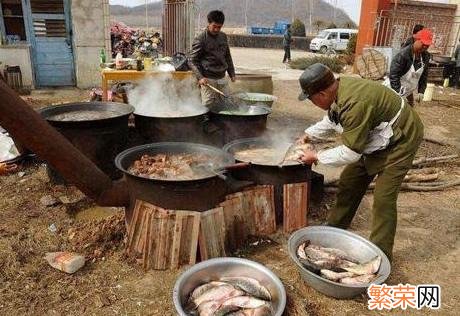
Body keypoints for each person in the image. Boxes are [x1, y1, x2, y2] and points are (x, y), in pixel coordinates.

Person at [296, 63, 424, 260]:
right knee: (350, 180)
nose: (312, 103)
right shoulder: (337, 89)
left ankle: (381, 254)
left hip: (401, 138)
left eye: (311, 99)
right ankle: (336, 227)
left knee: (383, 198)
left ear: (321, 94)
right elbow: (332, 120)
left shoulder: (355, 103)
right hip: (377, 135)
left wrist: (316, 157)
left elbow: (350, 152)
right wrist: (308, 134)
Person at [188, 10, 236, 107]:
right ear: (209, 23)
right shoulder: (201, 38)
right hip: (208, 78)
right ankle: (205, 122)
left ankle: (223, 122)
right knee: (207, 104)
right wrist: (200, 77)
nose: (216, 29)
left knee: (226, 102)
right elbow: (192, 60)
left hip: (222, 76)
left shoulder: (223, 37)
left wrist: (232, 73)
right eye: (214, 26)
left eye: (219, 27)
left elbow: (227, 56)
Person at [387, 28, 432, 106]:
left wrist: (421, 91)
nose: (425, 47)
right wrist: (399, 93)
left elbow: (424, 75)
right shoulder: (403, 54)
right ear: (416, 40)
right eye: (423, 43)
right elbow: (394, 75)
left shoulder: (425, 56)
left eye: (427, 45)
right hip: (393, 89)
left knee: (409, 109)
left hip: (408, 91)